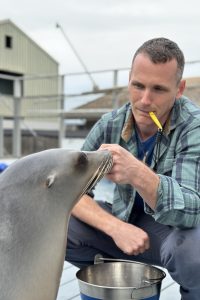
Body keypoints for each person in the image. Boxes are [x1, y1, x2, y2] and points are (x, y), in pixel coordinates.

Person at [66, 37, 200, 300]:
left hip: (173, 234)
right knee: (61, 227)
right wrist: (116, 227)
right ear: (129, 79)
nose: (145, 100)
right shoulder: (110, 124)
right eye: (138, 86)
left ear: (180, 88)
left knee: (194, 250)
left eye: (159, 89)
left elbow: (192, 210)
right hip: (126, 227)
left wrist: (137, 173)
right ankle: (120, 280)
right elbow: (70, 191)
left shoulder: (193, 127)